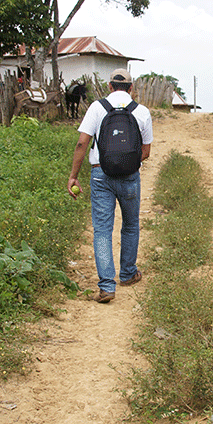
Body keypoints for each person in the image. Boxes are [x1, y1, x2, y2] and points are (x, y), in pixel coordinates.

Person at [68, 69, 153, 303]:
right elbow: (145, 152)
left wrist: (74, 176)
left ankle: (107, 286)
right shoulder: (142, 112)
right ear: (131, 88)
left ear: (109, 86)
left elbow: (81, 143)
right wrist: (126, 163)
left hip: (99, 175)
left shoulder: (97, 108)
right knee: (130, 225)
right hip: (129, 177)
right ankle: (127, 273)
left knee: (103, 230)